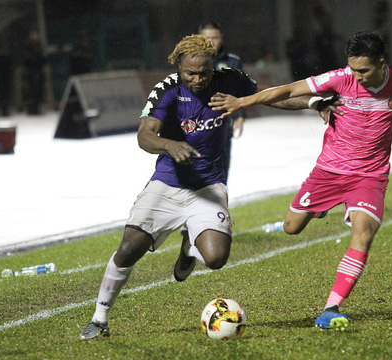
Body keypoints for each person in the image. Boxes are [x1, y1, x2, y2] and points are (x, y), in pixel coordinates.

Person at [78, 34, 336, 340]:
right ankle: (99, 319)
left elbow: (272, 96)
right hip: (167, 186)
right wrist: (169, 145)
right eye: (191, 73)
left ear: (213, 66)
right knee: (128, 249)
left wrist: (312, 101)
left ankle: (189, 247)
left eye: (204, 73)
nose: (198, 79)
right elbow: (144, 135)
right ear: (179, 67)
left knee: (215, 259)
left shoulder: (230, 80)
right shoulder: (167, 90)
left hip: (209, 188)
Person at [210, 30, 392, 331]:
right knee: (291, 228)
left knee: (363, 234)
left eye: (363, 70)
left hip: (370, 176)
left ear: (381, 63)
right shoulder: (340, 78)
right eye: (352, 68)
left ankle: (331, 308)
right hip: (329, 172)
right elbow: (288, 90)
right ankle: (324, 206)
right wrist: (243, 102)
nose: (356, 76)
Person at [198, 21, 246, 177]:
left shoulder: (233, 61)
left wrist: (240, 116)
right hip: (198, 124)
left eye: (215, 37)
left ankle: (220, 199)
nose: (211, 42)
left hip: (223, 123)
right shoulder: (191, 61)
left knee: (221, 170)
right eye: (207, 38)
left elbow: (241, 90)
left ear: (221, 38)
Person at [22, 31, 47, 115]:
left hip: (38, 74)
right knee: (30, 92)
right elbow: (26, 62)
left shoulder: (39, 50)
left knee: (38, 92)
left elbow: (43, 61)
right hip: (30, 74)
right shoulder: (27, 51)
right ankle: (31, 109)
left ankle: (37, 108)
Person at [0, 31, 14, 116]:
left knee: (6, 91)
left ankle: (5, 108)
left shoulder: (6, 47)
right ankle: (2, 108)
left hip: (6, 74)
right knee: (0, 92)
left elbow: (10, 61)